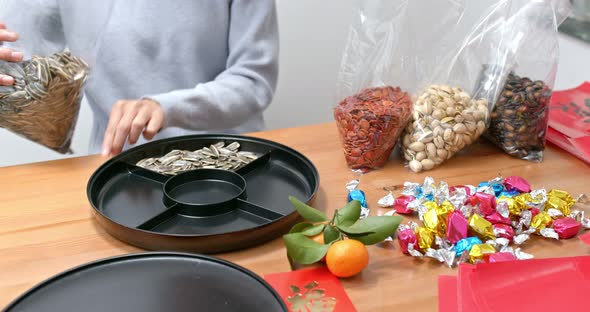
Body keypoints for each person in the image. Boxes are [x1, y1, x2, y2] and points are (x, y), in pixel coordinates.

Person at [0, 1, 279, 156]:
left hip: (228, 157)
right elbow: (18, 54)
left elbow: (253, 80)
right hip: (117, 165)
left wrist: (163, 108)